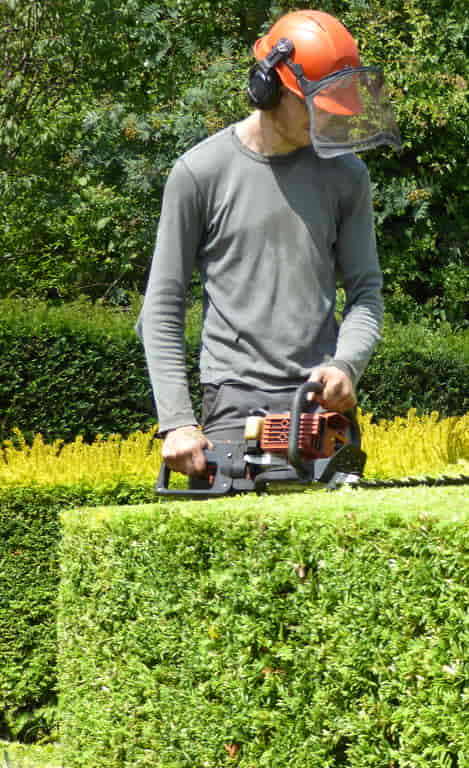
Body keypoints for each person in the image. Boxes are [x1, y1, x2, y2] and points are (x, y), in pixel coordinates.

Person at [136, 8, 401, 479]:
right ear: (268, 86)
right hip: (235, 403)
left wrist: (347, 366)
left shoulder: (347, 176)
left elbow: (366, 294)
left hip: (320, 403)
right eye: (316, 102)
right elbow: (162, 304)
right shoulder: (200, 173)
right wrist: (176, 421)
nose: (326, 116)